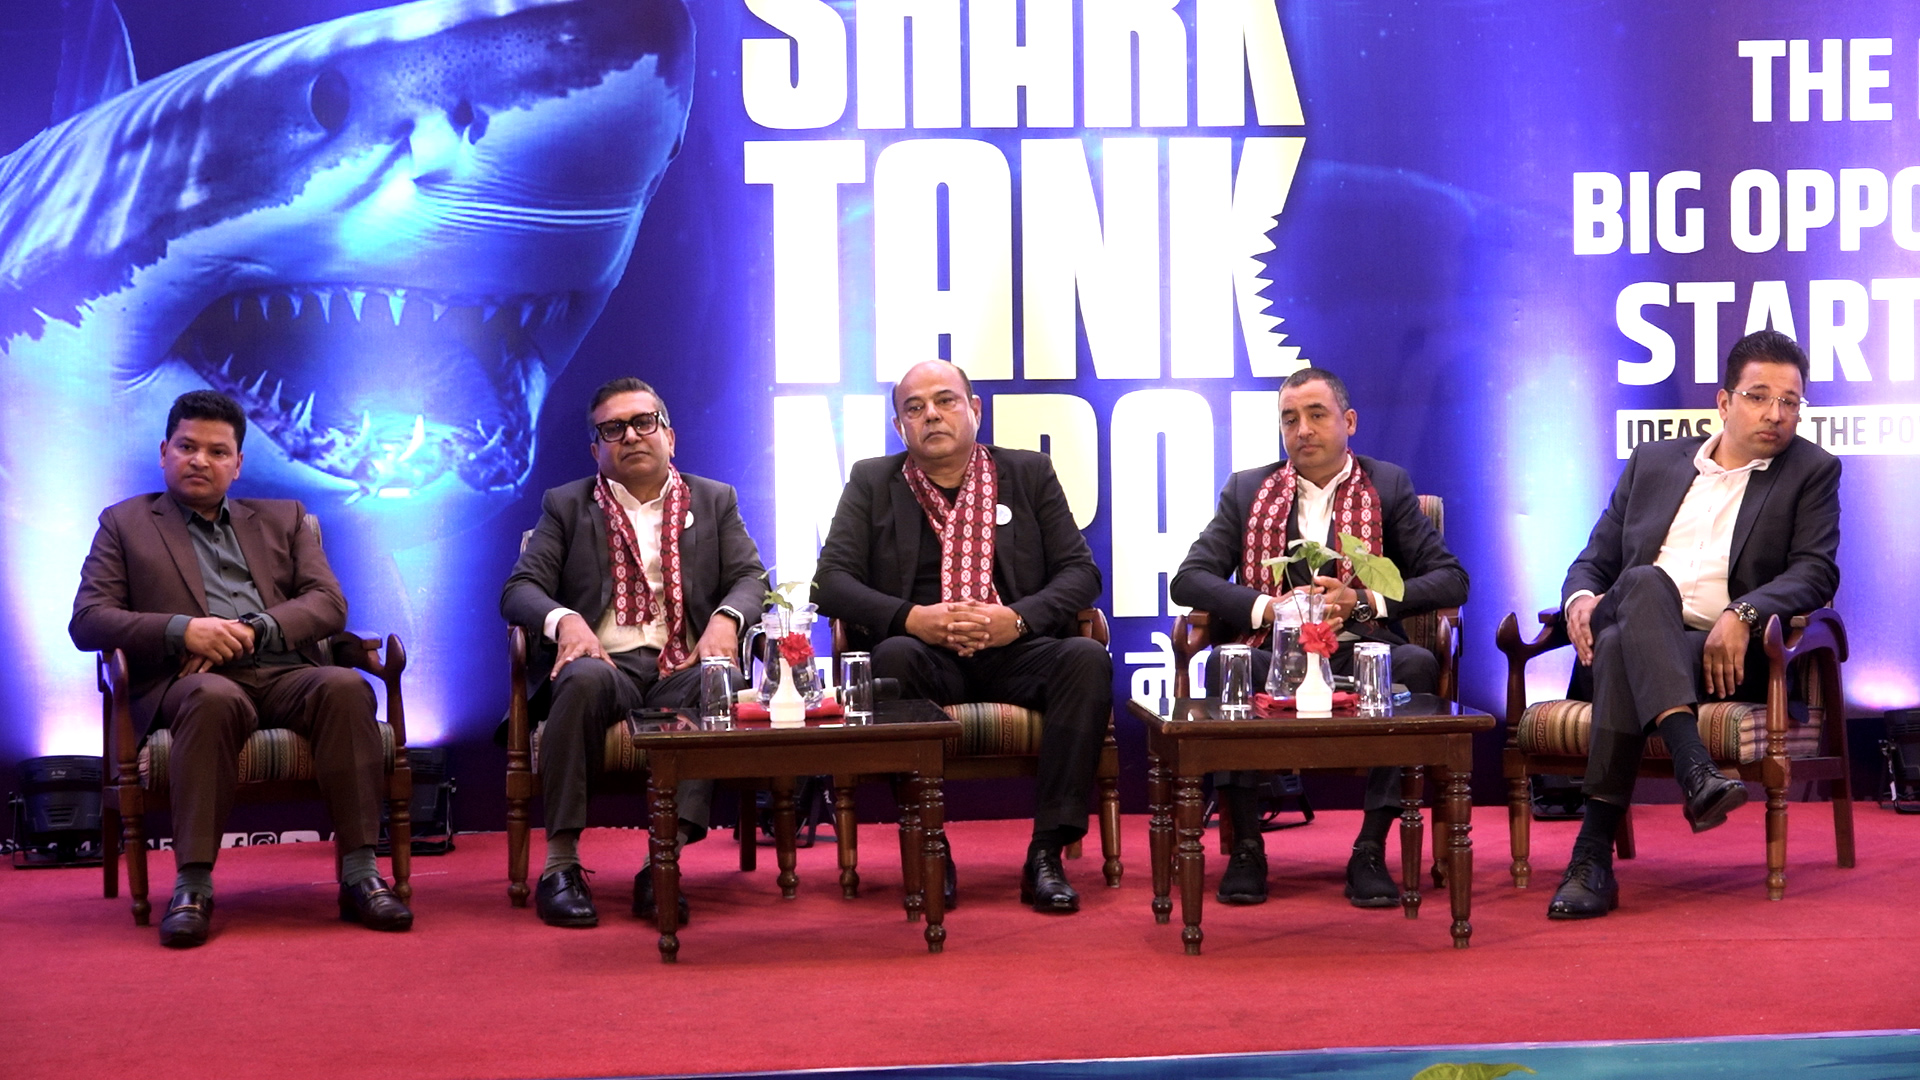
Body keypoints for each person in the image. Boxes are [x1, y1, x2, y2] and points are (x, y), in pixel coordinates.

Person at [70, 390, 411, 948]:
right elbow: (88, 620)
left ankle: (360, 875)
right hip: (191, 682)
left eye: (217, 451)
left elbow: (328, 603)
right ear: (163, 451)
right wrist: (183, 630)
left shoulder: (284, 518)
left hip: (285, 673)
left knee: (346, 686)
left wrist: (253, 629)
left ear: (238, 463)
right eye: (187, 447)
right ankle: (193, 886)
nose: (199, 460)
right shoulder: (124, 523)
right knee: (214, 698)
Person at [1547, 329, 1840, 920]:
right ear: (1724, 402)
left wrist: (1743, 612)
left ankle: (1591, 857)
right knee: (1642, 583)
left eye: (1790, 402)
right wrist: (1578, 597)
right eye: (1759, 396)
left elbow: (1815, 571)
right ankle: (1694, 768)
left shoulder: (1811, 470)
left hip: (1719, 662)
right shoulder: (1653, 462)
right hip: (1640, 626)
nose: (1776, 414)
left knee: (1625, 633)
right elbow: (1594, 561)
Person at [814, 360, 1111, 914]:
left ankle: (1046, 853)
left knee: (1085, 659)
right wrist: (911, 618)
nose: (931, 415)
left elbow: (1081, 572)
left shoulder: (1027, 473)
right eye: (915, 407)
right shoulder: (872, 481)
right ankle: (931, 847)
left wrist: (1015, 619)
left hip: (1014, 651)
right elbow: (829, 582)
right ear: (899, 426)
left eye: (945, 401)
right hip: (925, 657)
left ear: (975, 410)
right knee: (892, 657)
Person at [1169, 367, 1469, 907]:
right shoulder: (1247, 490)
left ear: (1348, 421)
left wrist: (1364, 600)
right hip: (1273, 653)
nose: (1302, 429)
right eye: (1290, 419)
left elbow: (1452, 579)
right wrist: (1268, 608)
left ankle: (1370, 849)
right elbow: (1189, 578)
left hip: (1358, 648)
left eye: (1316, 415)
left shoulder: (1387, 486)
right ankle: (1247, 848)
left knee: (1414, 666)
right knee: (1226, 665)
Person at [501, 377, 765, 929]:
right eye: (613, 429)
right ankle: (561, 867)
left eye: (644, 422)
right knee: (578, 680)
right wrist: (565, 620)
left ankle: (662, 863)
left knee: (720, 683)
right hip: (607, 664)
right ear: (595, 449)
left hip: (684, 664)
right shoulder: (566, 505)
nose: (631, 436)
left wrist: (726, 619)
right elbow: (519, 590)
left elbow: (750, 578)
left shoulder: (714, 500)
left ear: (670, 436)